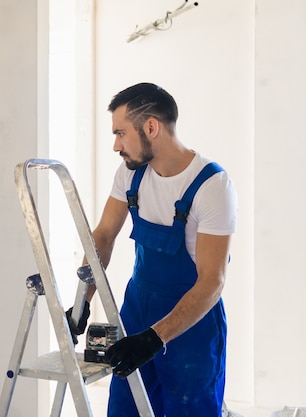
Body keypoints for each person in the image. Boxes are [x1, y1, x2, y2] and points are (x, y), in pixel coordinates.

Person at [68, 82, 238, 417]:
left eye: (121, 133)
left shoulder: (212, 186)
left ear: (151, 127)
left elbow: (212, 282)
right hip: (137, 311)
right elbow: (102, 236)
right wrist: (81, 302)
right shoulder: (130, 175)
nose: (116, 145)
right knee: (125, 410)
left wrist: (154, 339)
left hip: (192, 328)